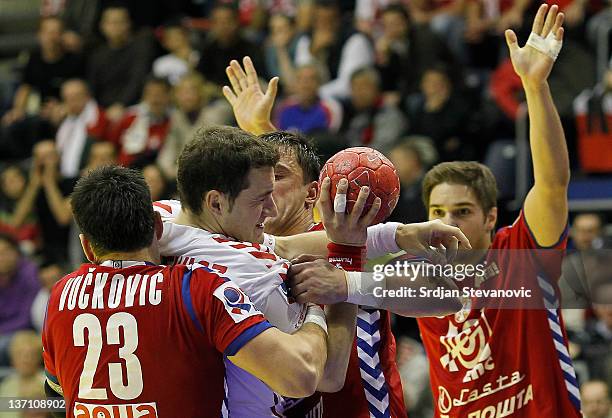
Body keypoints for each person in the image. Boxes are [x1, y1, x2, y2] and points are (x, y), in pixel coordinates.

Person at [222, 56, 467, 418]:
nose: (267, 187)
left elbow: (446, 295)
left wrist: (347, 284)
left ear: (312, 193)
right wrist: (259, 127)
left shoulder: (346, 235)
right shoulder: (245, 248)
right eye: (259, 178)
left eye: (279, 176)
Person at [42, 166, 330, 417]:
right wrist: (315, 308)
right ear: (158, 227)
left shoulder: (59, 296)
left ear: (86, 247)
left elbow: (56, 399)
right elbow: (300, 376)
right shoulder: (197, 288)